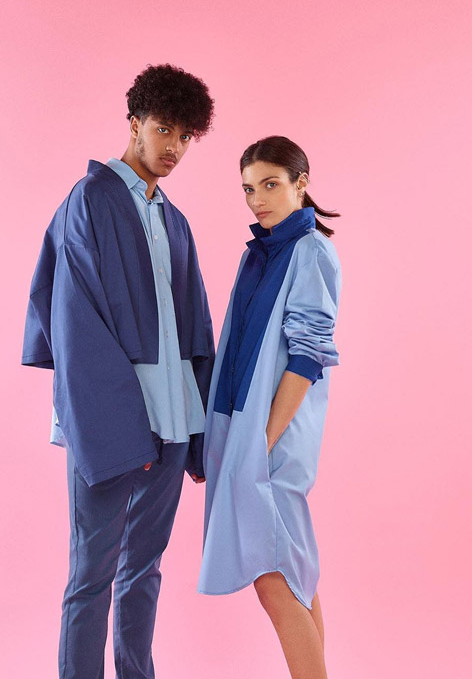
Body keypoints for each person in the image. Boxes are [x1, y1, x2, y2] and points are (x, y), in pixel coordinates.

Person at [21, 63, 215, 679]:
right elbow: (73, 320)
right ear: (134, 123)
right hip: (110, 417)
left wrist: (200, 424)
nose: (173, 147)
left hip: (173, 418)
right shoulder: (90, 200)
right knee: (91, 573)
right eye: (163, 129)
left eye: (185, 136)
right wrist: (117, 421)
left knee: (144, 566)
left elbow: (196, 327)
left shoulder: (173, 218)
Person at [198, 136, 341, 679]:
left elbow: (309, 356)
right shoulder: (258, 254)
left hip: (274, 437)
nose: (257, 199)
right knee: (294, 574)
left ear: (301, 183)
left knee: (275, 578)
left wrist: (261, 441)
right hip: (247, 432)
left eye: (270, 184)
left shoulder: (310, 250)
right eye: (248, 189)